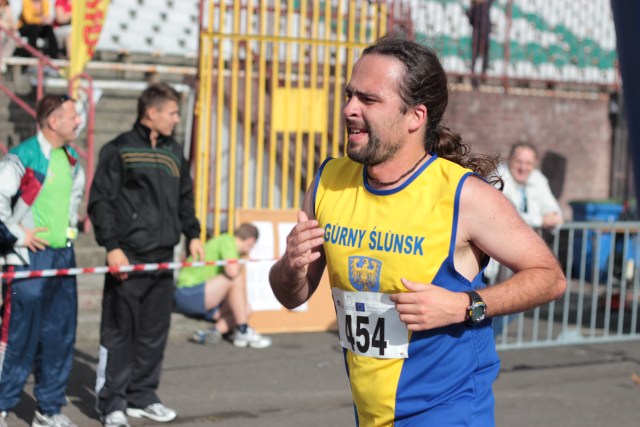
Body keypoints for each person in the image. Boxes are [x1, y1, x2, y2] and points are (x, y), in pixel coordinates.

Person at [269, 36, 566, 426]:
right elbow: (291, 296)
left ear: (415, 116)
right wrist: (290, 267)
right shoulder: (328, 182)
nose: (349, 109)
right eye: (349, 95)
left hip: (449, 412)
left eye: (368, 100)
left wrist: (464, 305)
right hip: (372, 414)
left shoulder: (464, 196)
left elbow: (549, 277)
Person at [88, 83, 204, 427]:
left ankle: (142, 395)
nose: (176, 119)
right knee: (120, 332)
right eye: (171, 113)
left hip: (163, 257)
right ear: (151, 113)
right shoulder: (119, 149)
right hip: (128, 256)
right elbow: (101, 202)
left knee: (154, 333)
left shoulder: (174, 152)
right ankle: (112, 403)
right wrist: (112, 246)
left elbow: (185, 198)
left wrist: (193, 234)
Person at [0, 94, 84, 427]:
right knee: (17, 336)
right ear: (53, 121)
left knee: (59, 335)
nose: (78, 121)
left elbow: (73, 202)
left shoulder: (72, 159)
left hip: (63, 256)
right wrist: (18, 235)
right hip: (28, 259)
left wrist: (69, 231)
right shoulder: (22, 156)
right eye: (72, 116)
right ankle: (1, 405)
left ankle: (48, 409)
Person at [489, 141, 563, 337]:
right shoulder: (498, 177)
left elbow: (555, 212)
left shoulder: (538, 179)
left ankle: (489, 341)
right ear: (509, 160)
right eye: (519, 162)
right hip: (497, 257)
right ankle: (485, 343)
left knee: (517, 302)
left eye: (528, 163)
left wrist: (553, 216)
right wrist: (540, 220)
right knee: (495, 304)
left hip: (523, 257)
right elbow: (505, 215)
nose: (523, 167)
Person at [174, 223, 272, 349]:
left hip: (201, 295)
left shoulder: (228, 243)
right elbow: (232, 272)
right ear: (251, 241)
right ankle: (242, 330)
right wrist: (241, 264)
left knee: (246, 310)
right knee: (235, 278)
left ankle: (213, 332)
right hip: (187, 293)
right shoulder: (227, 241)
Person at [467, 0, 494, 87]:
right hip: (478, 36)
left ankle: (482, 76)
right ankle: (474, 79)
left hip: (483, 35)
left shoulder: (484, 5)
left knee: (484, 57)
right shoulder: (475, 7)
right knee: (476, 58)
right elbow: (470, 20)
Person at [0, 0, 18, 73]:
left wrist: (8, 12)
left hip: (6, 30)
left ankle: (3, 60)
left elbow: (12, 24)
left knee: (14, 36)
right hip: (2, 31)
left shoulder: (7, 7)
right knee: (2, 35)